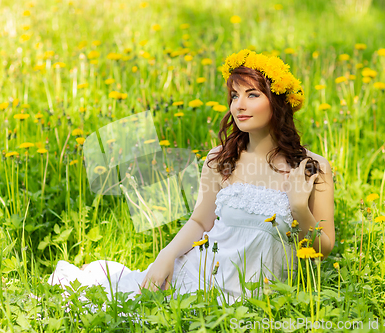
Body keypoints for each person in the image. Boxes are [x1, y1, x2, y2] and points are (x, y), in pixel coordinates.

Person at [48, 49, 335, 305]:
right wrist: (166, 256)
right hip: (198, 280)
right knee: (118, 301)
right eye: (235, 96)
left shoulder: (312, 167)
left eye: (252, 95)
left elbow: (323, 248)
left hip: (260, 299)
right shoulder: (221, 159)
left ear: (278, 101)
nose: (239, 105)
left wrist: (299, 209)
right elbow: (201, 221)